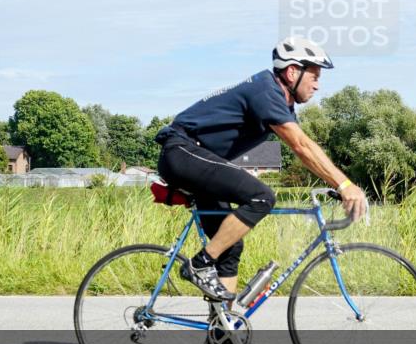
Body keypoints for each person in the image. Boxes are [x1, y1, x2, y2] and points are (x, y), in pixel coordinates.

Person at [154, 36, 367, 304]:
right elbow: (301, 145)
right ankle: (199, 264)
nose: (317, 84)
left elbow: (303, 150)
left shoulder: (280, 100)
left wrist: (333, 182)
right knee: (261, 197)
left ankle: (222, 337)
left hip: (198, 158)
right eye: (314, 75)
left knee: (229, 247)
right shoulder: (266, 91)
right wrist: (344, 185)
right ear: (292, 72)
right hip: (182, 152)